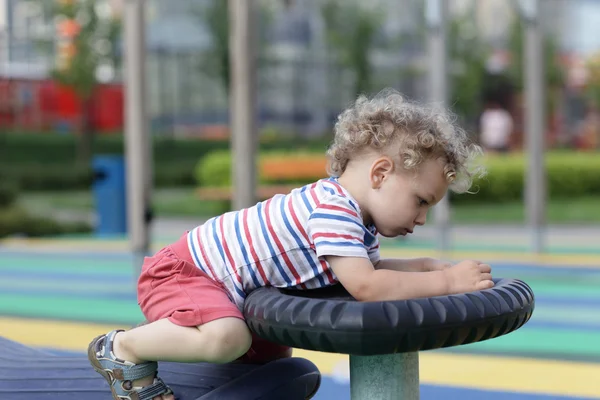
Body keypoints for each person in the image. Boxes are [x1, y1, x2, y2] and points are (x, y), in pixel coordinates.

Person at [88, 88, 492, 400]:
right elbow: (367, 287)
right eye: (421, 201)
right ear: (381, 173)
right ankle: (123, 347)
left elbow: (366, 272)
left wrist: (426, 267)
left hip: (216, 279)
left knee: (272, 360)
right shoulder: (334, 211)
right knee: (230, 338)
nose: (421, 218)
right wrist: (447, 284)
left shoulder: (356, 218)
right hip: (184, 274)